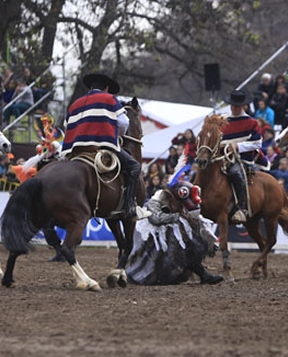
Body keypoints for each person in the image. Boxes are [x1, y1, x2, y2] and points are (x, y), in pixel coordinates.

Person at [62, 73, 141, 219]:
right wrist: (116, 134)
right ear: (106, 88)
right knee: (135, 167)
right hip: (103, 146)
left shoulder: (76, 104)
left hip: (76, 151)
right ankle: (128, 207)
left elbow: (67, 125)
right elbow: (124, 123)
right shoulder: (110, 99)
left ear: (90, 87)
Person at [126, 171, 223, 286]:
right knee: (177, 238)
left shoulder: (179, 202)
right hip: (150, 241)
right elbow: (156, 219)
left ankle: (202, 274)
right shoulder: (155, 202)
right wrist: (178, 217)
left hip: (166, 235)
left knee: (190, 236)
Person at [220, 89, 268, 224]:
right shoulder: (223, 121)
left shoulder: (252, 122)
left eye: (237, 106)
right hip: (222, 158)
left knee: (234, 172)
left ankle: (241, 208)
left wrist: (238, 146)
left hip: (241, 160)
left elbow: (257, 143)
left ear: (243, 106)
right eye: (232, 105)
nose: (234, 108)